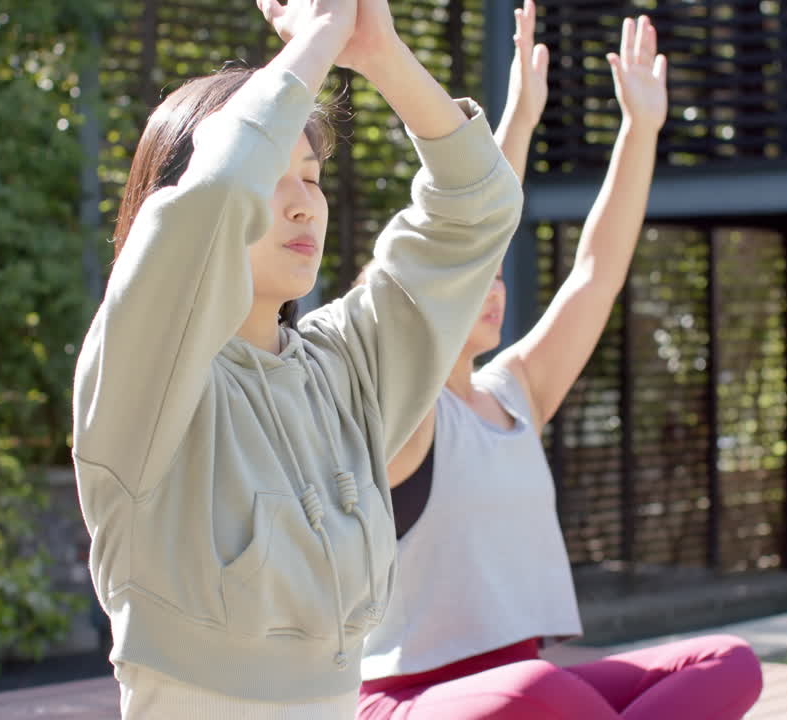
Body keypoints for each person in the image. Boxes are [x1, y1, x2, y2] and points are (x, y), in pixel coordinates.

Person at [70, 0, 523, 715]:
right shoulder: (141, 372)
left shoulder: (346, 368)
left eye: (311, 176)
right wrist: (317, 40)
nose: (303, 204)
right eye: (272, 176)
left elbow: (478, 210)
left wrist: (379, 53)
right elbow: (214, 196)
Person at [356, 6, 764, 719]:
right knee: (539, 692)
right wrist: (512, 128)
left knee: (727, 664)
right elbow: (464, 234)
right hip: (409, 700)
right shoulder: (406, 415)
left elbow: (595, 273)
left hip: (533, 691)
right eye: (470, 277)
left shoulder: (516, 391)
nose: (494, 284)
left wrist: (640, 130)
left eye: (496, 272)